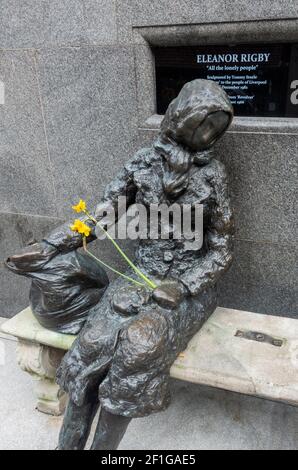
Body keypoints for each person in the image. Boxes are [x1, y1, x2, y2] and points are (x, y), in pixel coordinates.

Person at [7, 79, 234, 450]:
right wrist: (49, 247)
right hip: (138, 275)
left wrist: (185, 285)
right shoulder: (143, 163)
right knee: (94, 341)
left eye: (217, 127)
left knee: (139, 346)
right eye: (203, 121)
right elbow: (100, 218)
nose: (208, 134)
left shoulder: (213, 175)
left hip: (186, 290)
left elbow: (222, 249)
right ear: (180, 116)